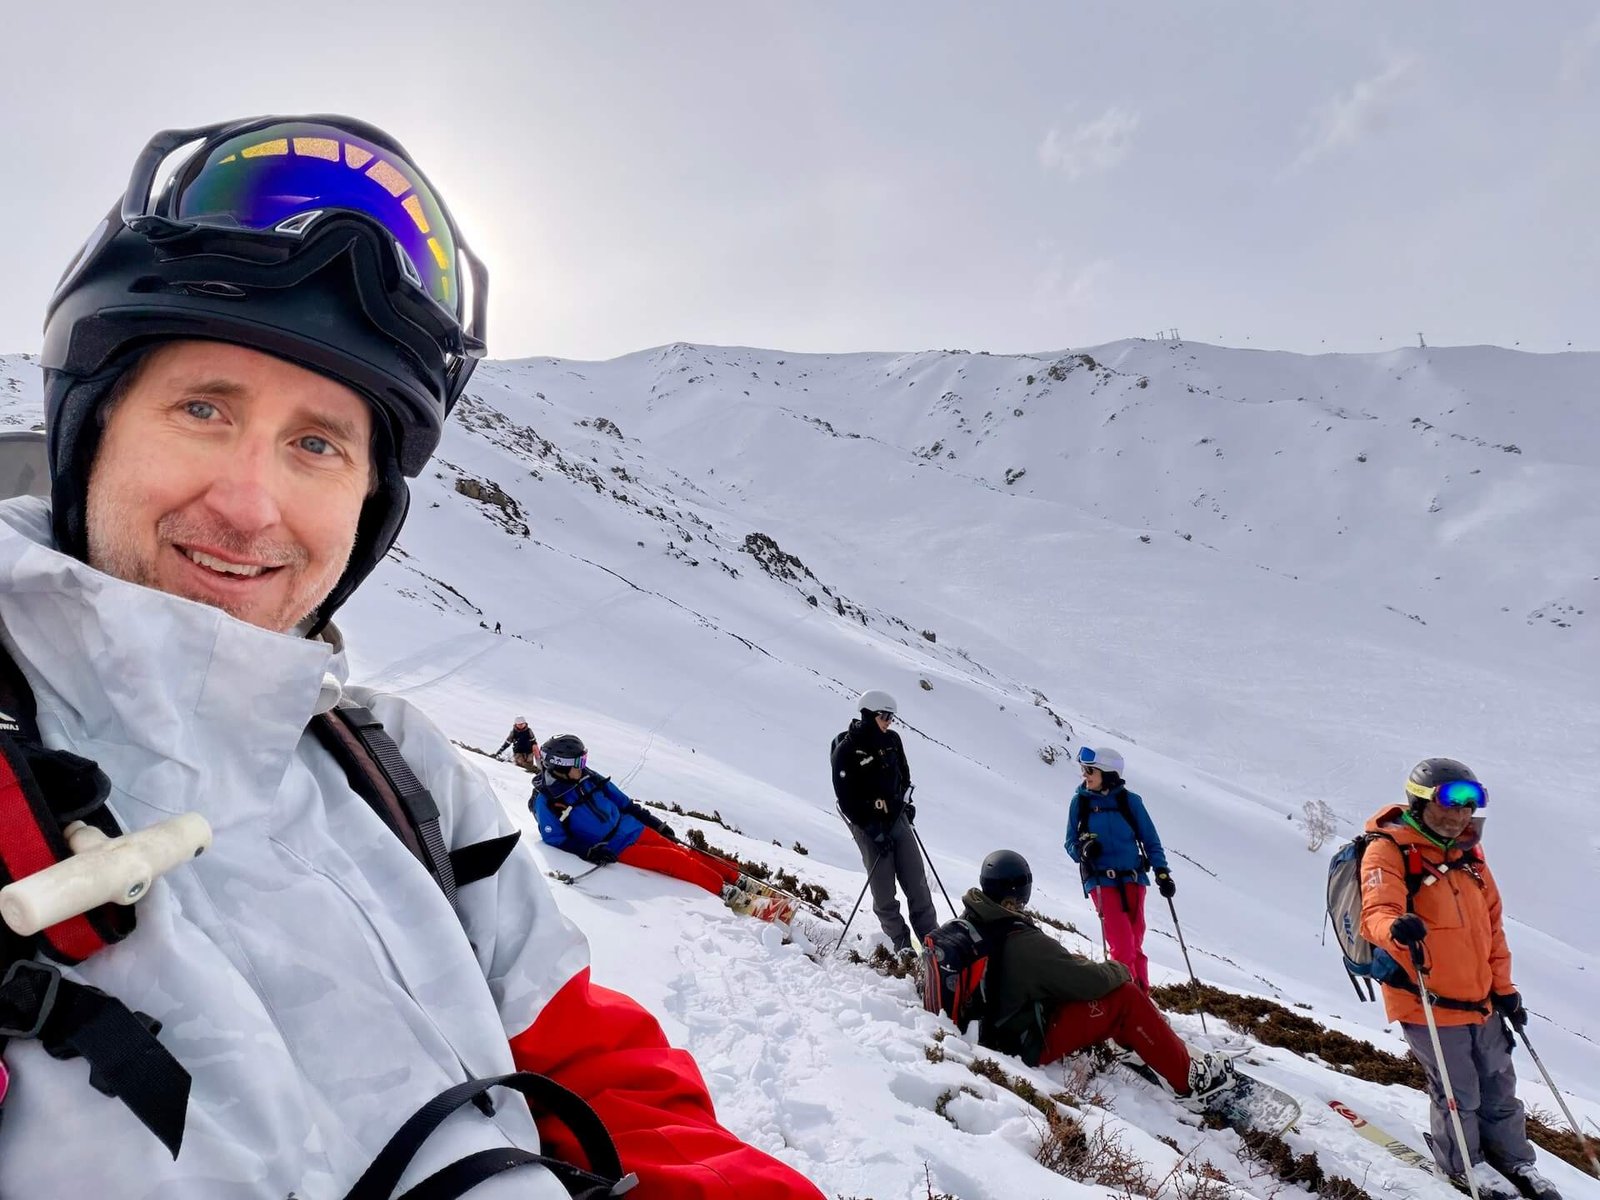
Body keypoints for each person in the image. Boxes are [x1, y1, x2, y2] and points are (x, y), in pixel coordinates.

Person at [0, 114, 824, 1199]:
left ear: (368, 508)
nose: (250, 507)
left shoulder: (394, 768)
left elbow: (608, 1075)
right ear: (90, 427)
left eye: (317, 444)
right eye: (203, 408)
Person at [1359, 759, 1560, 1200]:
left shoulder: (1470, 859)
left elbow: (1492, 934)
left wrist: (1505, 991)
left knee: (1500, 1087)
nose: (1458, 816)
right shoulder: (1389, 850)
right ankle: (1465, 1166)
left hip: (1481, 1001)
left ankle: (1516, 1161)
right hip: (1425, 999)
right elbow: (1375, 911)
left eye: (1469, 807)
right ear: (1419, 801)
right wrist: (1396, 928)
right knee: (1457, 1092)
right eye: (1447, 805)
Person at [961, 851, 1232, 1102]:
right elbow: (1087, 982)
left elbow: (1054, 969)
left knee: (1107, 996)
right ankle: (1191, 1082)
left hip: (995, 1027)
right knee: (1126, 997)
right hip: (1023, 1044)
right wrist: (1120, 969)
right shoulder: (1022, 941)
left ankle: (1137, 1040)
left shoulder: (974, 919)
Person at [532, 734, 756, 909]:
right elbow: (556, 839)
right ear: (560, 765)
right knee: (675, 860)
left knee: (683, 850)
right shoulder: (548, 801)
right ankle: (727, 893)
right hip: (617, 847)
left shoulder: (588, 777)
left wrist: (656, 824)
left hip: (633, 827)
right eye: (579, 761)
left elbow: (625, 803)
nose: (583, 765)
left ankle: (737, 878)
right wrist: (590, 851)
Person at [830, 688, 937, 956]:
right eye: (884, 716)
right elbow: (846, 799)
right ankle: (902, 944)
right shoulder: (847, 750)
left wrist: (906, 804)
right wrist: (873, 830)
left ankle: (933, 941)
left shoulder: (892, 741)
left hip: (896, 819)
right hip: (868, 826)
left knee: (916, 881)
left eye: (891, 717)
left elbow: (903, 775)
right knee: (884, 889)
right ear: (868, 715)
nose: (889, 721)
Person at [1063, 745, 1173, 992]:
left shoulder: (1130, 802)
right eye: (1084, 770)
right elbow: (1069, 842)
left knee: (1134, 944)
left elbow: (1150, 840)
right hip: (1101, 883)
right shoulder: (1079, 803)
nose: (1085, 775)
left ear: (1108, 774)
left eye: (1090, 770)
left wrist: (1162, 873)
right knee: (1122, 946)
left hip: (1134, 880)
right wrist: (1082, 851)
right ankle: (1127, 1001)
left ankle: (1142, 998)